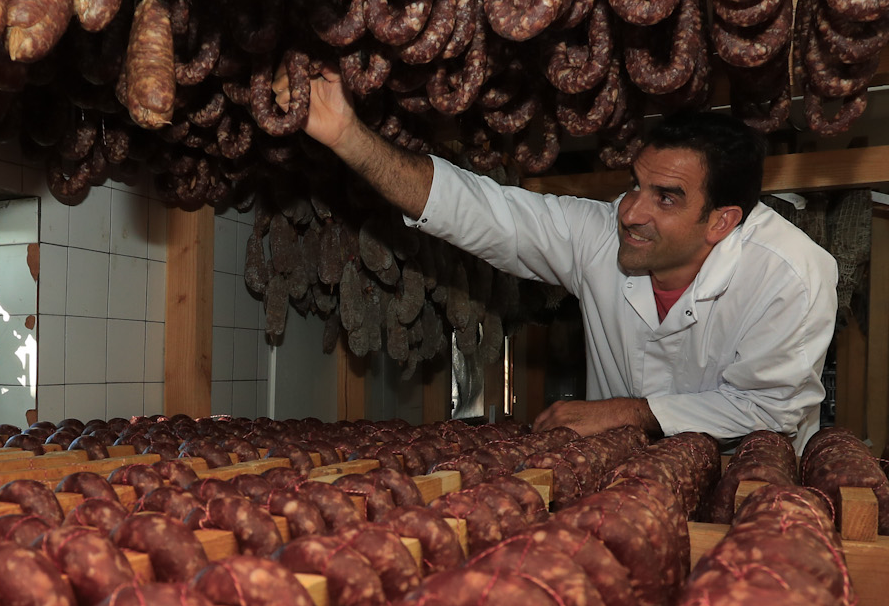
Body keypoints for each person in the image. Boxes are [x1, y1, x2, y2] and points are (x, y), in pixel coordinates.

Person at [297, 69, 838, 449]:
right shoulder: (601, 234)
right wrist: (347, 136)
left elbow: (768, 409)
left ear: (722, 221)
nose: (629, 212)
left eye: (666, 197)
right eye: (635, 186)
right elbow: (481, 211)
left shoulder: (791, 273)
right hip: (616, 480)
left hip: (746, 493)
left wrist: (628, 411)